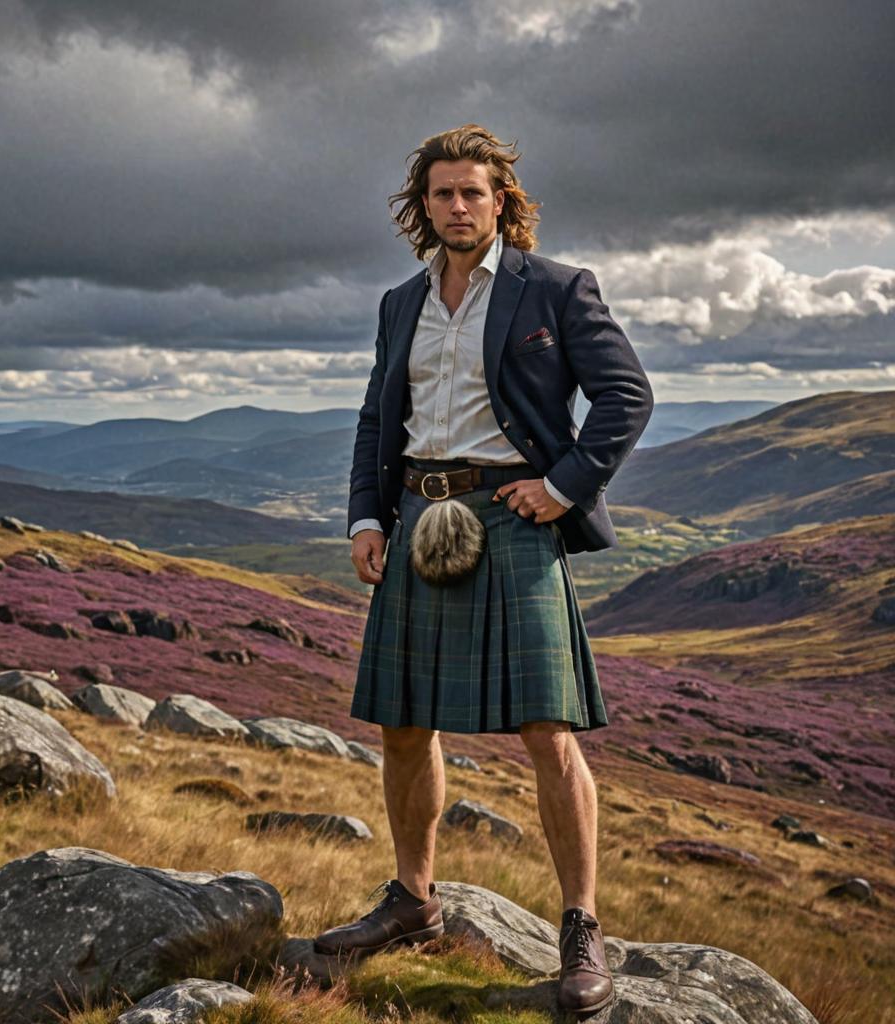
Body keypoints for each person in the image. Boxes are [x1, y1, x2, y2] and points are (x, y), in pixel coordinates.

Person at [313, 124, 654, 1014]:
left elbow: (628, 395)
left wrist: (566, 485)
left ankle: (580, 926)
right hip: (419, 515)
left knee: (549, 728)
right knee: (401, 720)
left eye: (474, 192)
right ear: (419, 206)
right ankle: (412, 900)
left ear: (502, 200)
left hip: (513, 515)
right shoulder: (401, 302)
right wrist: (365, 516)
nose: (458, 207)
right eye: (442, 194)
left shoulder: (556, 288)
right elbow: (372, 419)